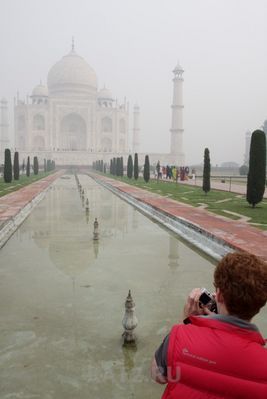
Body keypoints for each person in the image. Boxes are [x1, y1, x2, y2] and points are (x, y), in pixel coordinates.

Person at [151, 252, 267, 398]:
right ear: (259, 304)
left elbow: (158, 376)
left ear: (219, 296)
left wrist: (187, 323)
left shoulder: (181, 336)